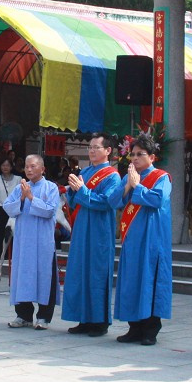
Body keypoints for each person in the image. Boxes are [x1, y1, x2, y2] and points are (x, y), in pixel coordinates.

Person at [108, 133, 171, 346]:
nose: (134, 158)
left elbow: (156, 199)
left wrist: (137, 187)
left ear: (152, 157)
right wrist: (128, 185)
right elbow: (114, 201)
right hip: (132, 238)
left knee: (149, 280)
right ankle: (133, 327)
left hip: (152, 238)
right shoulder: (129, 176)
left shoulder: (162, 177)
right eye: (132, 154)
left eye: (140, 154)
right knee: (131, 281)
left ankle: (150, 329)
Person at [64, 133, 122, 336]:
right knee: (80, 271)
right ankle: (83, 318)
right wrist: (72, 191)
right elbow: (74, 202)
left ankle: (99, 321)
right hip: (81, 228)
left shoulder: (113, 176)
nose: (91, 150)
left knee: (97, 272)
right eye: (90, 147)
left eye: (96, 147)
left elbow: (106, 202)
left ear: (108, 151)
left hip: (99, 229)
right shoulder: (86, 171)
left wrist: (82, 190)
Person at [2, 155, 61, 329]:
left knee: (45, 276)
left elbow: (50, 211)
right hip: (24, 241)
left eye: (33, 166)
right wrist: (21, 197)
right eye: (26, 167)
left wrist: (31, 198)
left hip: (43, 241)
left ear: (42, 169)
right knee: (22, 276)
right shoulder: (19, 188)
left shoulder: (51, 188)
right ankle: (23, 314)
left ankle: (43, 317)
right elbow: (7, 207)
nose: (28, 170)